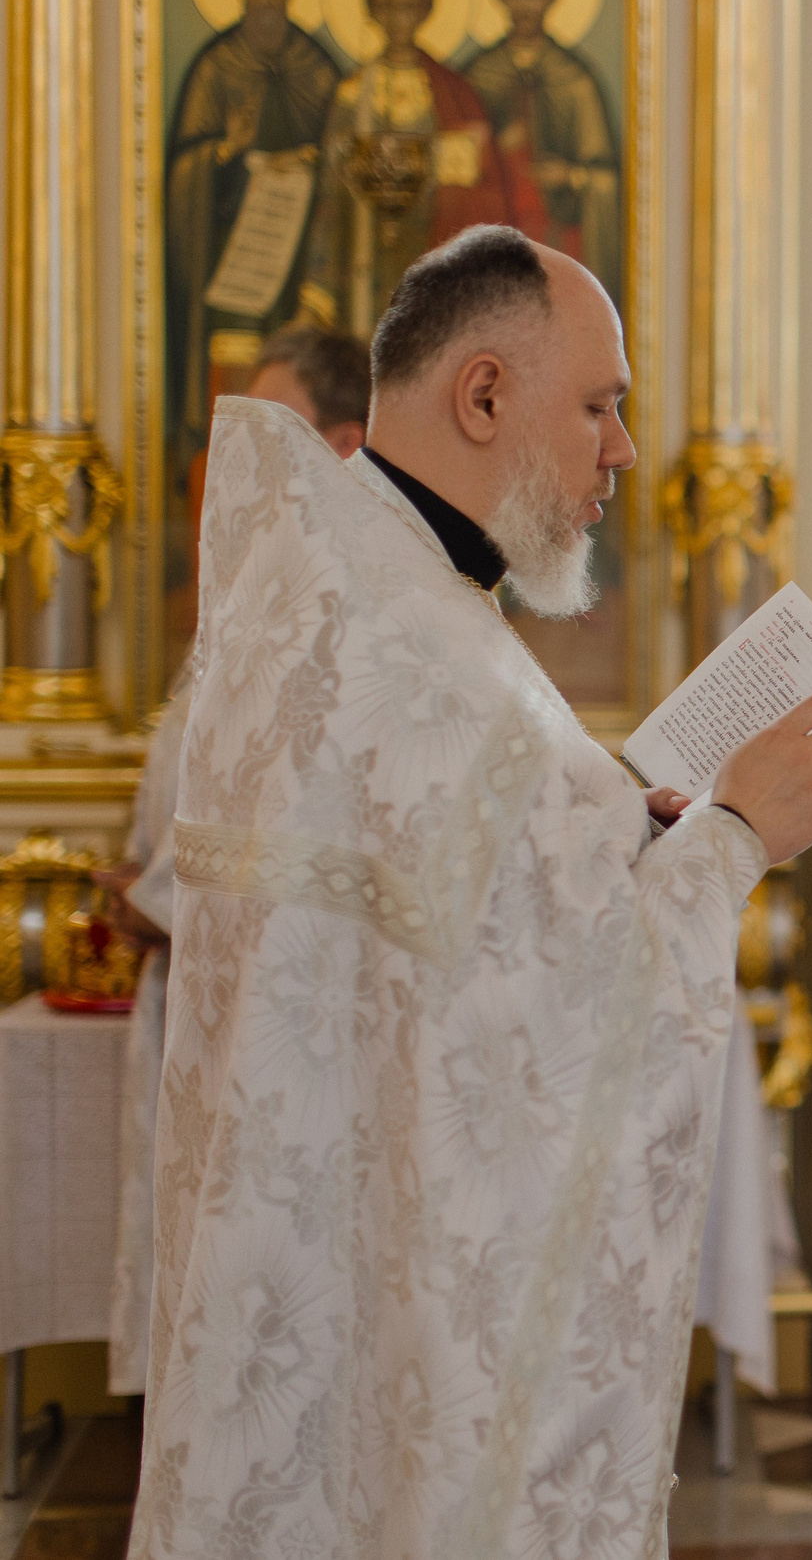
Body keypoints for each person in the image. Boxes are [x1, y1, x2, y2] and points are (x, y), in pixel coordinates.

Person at [132, 226, 812, 1557]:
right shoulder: (414, 638)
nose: (621, 449)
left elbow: (468, 940)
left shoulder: (357, 589)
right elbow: (571, 1016)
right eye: (598, 405)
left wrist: (637, 831)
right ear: (483, 395)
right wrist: (736, 833)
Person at [96, 324, 373, 1400]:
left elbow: (306, 843)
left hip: (273, 1031)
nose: (236, 466)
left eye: (272, 430)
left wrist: (158, 896)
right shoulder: (265, 596)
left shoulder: (341, 618)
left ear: (343, 447)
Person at [164, 0, 340, 473]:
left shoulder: (316, 65)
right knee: (237, 380)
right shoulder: (217, 67)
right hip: (235, 257)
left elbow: (346, 160)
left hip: (305, 256)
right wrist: (223, 152)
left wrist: (316, 166)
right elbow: (183, 172)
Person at [300, 0, 517, 337]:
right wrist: (319, 287)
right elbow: (331, 197)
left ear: (426, 11)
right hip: (364, 258)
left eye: (410, 6)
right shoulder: (353, 93)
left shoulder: (451, 92)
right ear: (372, 12)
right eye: (387, 7)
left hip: (429, 242)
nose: (398, 18)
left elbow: (467, 190)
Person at [458, 0, 623, 299]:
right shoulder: (479, 75)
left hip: (558, 232)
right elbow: (457, 161)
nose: (525, 4)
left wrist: (570, 175)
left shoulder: (576, 79)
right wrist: (493, 147)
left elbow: (606, 176)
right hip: (495, 226)